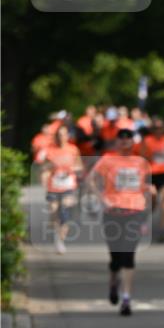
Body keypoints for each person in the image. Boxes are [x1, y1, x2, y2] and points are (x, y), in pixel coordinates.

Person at [87, 128, 154, 316]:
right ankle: (113, 281)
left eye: (128, 139)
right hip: (112, 212)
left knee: (128, 255)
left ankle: (126, 298)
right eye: (121, 138)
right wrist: (102, 198)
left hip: (135, 212)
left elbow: (147, 189)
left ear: (133, 142)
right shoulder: (108, 159)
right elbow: (91, 179)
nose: (125, 141)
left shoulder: (141, 162)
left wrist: (147, 212)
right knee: (116, 257)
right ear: (117, 142)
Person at [39, 125, 84, 254]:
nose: (61, 137)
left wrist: (71, 169)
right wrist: (48, 170)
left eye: (64, 134)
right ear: (56, 136)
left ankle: (60, 240)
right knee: (54, 210)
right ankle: (56, 234)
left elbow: (79, 165)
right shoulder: (49, 150)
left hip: (69, 185)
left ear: (67, 136)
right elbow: (43, 167)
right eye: (59, 135)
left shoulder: (73, 149)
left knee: (65, 211)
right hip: (54, 185)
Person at [141, 118, 164, 242]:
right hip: (152, 173)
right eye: (156, 128)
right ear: (152, 129)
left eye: (160, 128)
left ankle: (163, 230)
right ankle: (144, 220)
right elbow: (143, 157)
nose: (158, 130)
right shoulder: (147, 140)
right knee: (152, 199)